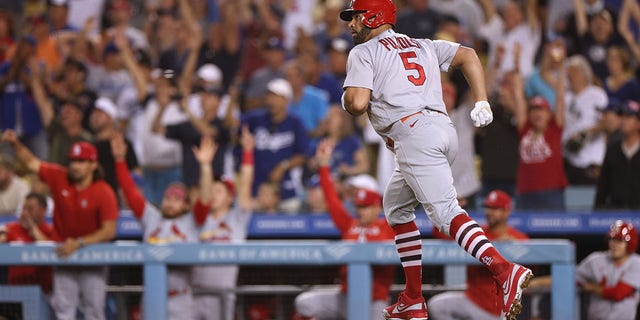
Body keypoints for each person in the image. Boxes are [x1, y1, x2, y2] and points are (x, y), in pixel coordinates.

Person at [339, 1, 533, 319]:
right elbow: (469, 55)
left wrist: (346, 98)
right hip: (441, 130)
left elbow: (358, 103)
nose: (351, 24)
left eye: (356, 17)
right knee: (397, 208)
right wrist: (482, 100)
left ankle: (503, 270)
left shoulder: (364, 52)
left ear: (373, 16)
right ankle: (413, 296)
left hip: (413, 135)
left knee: (445, 214)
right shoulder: (422, 43)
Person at [2, 130, 118, 320]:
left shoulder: (103, 191)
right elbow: (31, 162)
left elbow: (109, 230)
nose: (75, 166)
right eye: (73, 161)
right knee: (64, 311)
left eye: (81, 161)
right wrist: (15, 143)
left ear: (93, 165)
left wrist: (79, 242)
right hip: (64, 253)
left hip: (93, 255)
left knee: (94, 311)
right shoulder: (59, 177)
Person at [293, 139, 395, 320]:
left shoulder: (388, 228)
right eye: (359, 207)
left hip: (375, 299)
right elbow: (332, 202)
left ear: (377, 207)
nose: (361, 211)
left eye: (366, 207)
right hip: (346, 296)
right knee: (305, 303)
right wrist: (324, 168)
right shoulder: (349, 223)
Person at [112, 132, 197, 319]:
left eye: (176, 199)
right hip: (152, 295)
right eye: (167, 198)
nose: (170, 202)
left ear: (186, 205)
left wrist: (205, 165)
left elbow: (205, 202)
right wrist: (120, 160)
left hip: (180, 299)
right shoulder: (151, 217)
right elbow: (130, 193)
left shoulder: (191, 222)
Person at [428, 190, 529, 320]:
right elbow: (440, 233)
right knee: (437, 306)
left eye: (495, 209)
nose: (489, 212)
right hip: (471, 299)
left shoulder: (518, 239)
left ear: (506, 211)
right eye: (488, 208)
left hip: (497, 309)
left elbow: (528, 277)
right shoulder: (477, 233)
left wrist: (510, 250)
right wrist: (450, 209)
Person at [190, 127, 254, 320]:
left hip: (222, 294)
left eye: (220, 191)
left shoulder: (237, 218)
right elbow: (204, 194)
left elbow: (245, 186)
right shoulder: (200, 218)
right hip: (194, 292)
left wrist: (248, 153)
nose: (214, 195)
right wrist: (206, 166)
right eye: (213, 190)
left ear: (229, 198)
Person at [529, 220, 640, 320]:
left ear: (630, 244)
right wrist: (535, 282)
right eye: (612, 239)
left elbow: (618, 293)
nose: (614, 244)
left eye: (619, 241)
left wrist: (591, 287)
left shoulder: (636, 263)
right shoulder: (595, 260)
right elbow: (567, 278)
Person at [0, 192, 59, 294]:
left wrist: (34, 230)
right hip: (15, 292)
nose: (25, 213)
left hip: (44, 292)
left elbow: (51, 249)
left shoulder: (50, 231)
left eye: (30, 209)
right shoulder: (12, 228)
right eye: (23, 209)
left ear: (43, 211)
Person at [595, 100, 640, 209]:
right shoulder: (613, 150)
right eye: (622, 117)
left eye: (629, 117)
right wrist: (597, 211)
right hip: (616, 213)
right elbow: (603, 186)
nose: (623, 121)